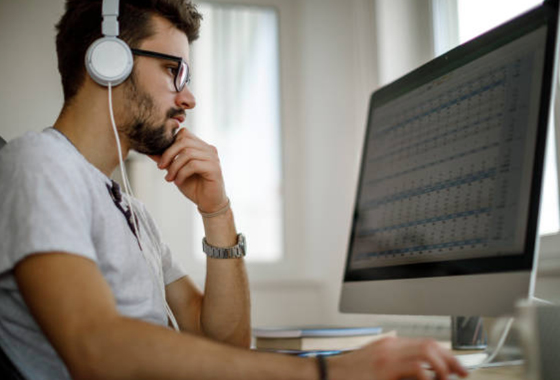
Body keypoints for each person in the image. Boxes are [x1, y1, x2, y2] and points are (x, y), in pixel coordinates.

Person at [0, 1, 469, 379]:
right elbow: (96, 348)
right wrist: (329, 372)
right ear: (107, 62)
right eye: (173, 71)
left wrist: (217, 212)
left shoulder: (129, 209)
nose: (189, 98)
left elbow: (223, 343)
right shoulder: (39, 164)